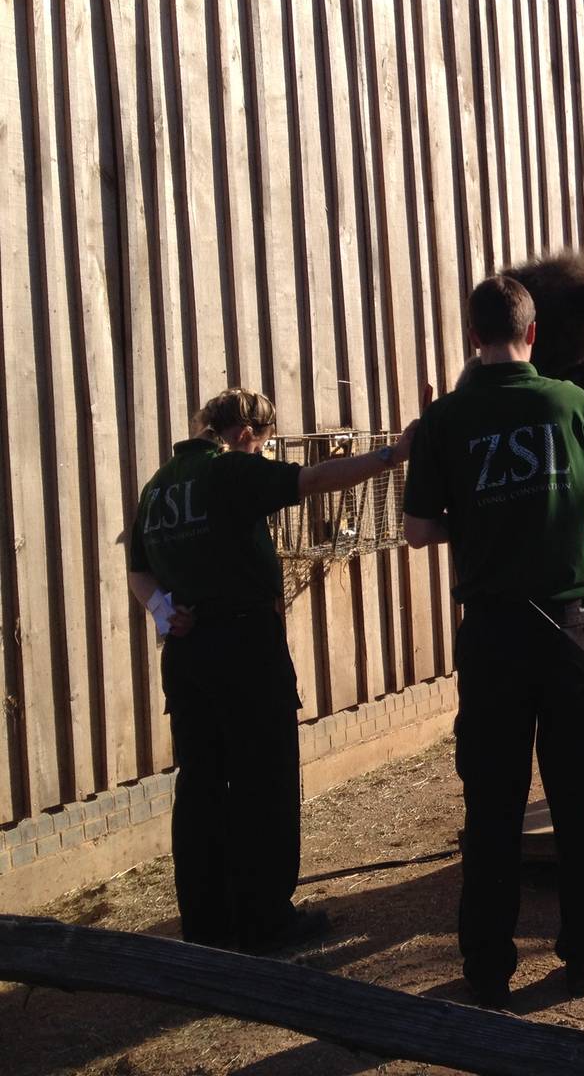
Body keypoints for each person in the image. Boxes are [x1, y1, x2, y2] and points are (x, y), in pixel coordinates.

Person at [402, 275, 584, 1007]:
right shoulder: (571, 401)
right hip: (568, 627)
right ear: (533, 335)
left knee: (492, 801)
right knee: (580, 792)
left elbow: (419, 532)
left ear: (473, 337)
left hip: (491, 632)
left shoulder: (444, 421)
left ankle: (488, 966)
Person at [127, 388, 414, 953]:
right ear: (242, 435)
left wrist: (164, 610)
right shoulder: (230, 472)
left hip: (187, 656)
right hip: (244, 645)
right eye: (259, 445)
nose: (258, 454)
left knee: (203, 784)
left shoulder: (158, 487)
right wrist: (391, 456)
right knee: (265, 779)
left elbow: (137, 570)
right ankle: (265, 920)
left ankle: (205, 923)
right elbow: (311, 481)